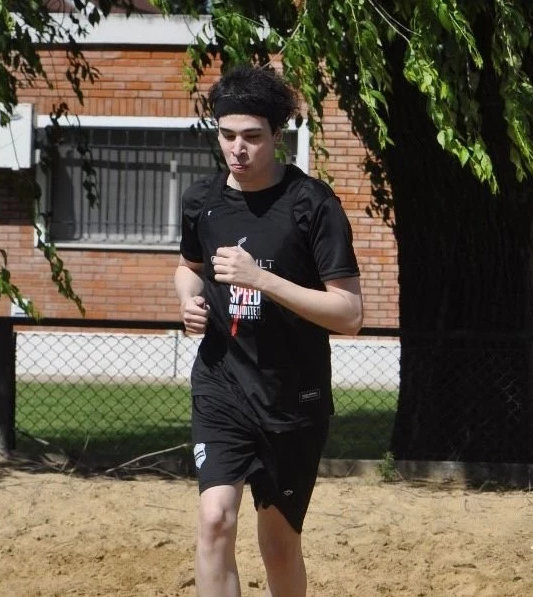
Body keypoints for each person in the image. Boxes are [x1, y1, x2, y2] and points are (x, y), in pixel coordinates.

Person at [174, 64, 363, 597]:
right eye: (227, 135)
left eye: (253, 137)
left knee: (279, 544)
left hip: (291, 396)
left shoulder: (312, 205)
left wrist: (262, 279)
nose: (238, 149)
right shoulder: (201, 201)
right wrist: (189, 302)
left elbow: (349, 314)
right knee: (215, 520)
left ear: (278, 136)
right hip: (221, 384)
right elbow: (188, 267)